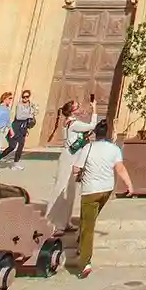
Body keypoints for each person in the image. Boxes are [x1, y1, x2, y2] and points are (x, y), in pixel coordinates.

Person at [71, 120, 131, 279]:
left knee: (88, 227)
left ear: (95, 134)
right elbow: (120, 168)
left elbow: (76, 169)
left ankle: (85, 262)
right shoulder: (114, 149)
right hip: (106, 190)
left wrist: (77, 175)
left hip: (90, 190)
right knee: (89, 219)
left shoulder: (88, 148)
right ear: (109, 134)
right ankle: (80, 242)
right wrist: (129, 185)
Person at [47, 99, 96, 231]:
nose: (80, 108)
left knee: (70, 190)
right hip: (69, 158)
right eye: (77, 107)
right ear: (72, 111)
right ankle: (53, 221)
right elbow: (92, 125)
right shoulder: (73, 123)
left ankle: (65, 221)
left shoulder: (71, 122)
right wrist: (94, 109)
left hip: (73, 157)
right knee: (62, 188)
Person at [6, 90, 38, 168]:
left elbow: (35, 113)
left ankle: (16, 163)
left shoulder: (31, 105)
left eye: (27, 97)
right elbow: (18, 116)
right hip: (16, 126)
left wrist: (35, 110)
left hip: (24, 127)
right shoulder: (19, 105)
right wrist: (29, 115)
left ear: (29, 97)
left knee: (21, 145)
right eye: (23, 97)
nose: (25, 98)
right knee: (12, 146)